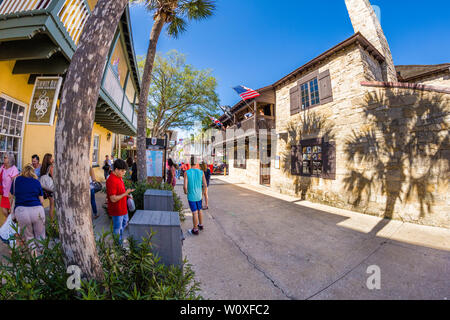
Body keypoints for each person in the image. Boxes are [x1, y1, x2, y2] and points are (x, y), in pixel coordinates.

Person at [10, 164, 45, 256]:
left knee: (29, 237)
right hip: (37, 210)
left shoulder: (16, 181)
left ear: (23, 171)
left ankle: (35, 261)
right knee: (40, 236)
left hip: (22, 211)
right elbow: (41, 200)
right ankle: (42, 258)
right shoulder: (36, 182)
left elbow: (11, 197)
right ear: (33, 172)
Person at [106, 159, 134, 244]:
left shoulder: (119, 177)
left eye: (125, 170)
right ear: (116, 170)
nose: (124, 172)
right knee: (117, 228)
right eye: (122, 171)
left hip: (123, 208)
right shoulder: (111, 180)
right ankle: (118, 245)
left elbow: (120, 192)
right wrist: (125, 193)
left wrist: (127, 195)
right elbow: (113, 199)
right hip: (117, 210)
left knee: (124, 223)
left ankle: (120, 240)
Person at [184, 155, 207, 235]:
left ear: (190, 163)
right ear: (196, 163)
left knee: (194, 212)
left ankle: (195, 229)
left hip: (191, 196)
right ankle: (200, 225)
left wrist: (185, 192)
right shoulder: (201, 172)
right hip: (199, 195)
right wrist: (202, 192)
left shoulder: (187, 172)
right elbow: (205, 185)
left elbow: (185, 186)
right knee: (200, 210)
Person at [1, 152, 20, 219]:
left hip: (11, 194)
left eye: (5, 157)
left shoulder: (14, 169)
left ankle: (11, 224)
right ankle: (10, 222)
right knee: (4, 211)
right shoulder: (2, 167)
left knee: (11, 211)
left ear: (10, 159)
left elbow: (15, 183)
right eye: (4, 157)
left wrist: (12, 194)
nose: (4, 159)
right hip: (4, 194)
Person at [40, 153, 55, 221]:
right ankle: (52, 222)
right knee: (52, 205)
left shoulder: (43, 167)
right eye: (51, 158)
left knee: (44, 204)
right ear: (49, 159)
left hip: (45, 188)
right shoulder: (51, 167)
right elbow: (53, 177)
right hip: (50, 188)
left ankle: (43, 219)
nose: (53, 159)